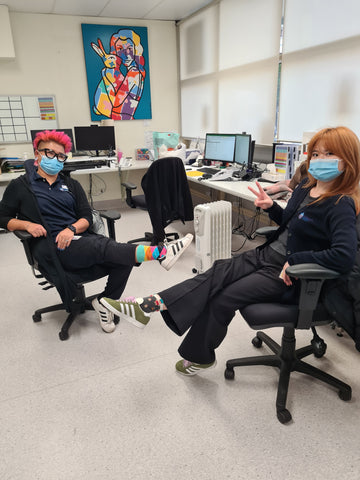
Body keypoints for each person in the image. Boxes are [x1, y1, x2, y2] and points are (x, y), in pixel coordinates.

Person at [99, 126, 360, 373]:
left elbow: (344, 256)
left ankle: (196, 354)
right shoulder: (305, 187)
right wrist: (272, 208)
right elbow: (293, 227)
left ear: (347, 160)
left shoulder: (341, 204)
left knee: (224, 295)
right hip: (267, 255)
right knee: (216, 272)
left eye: (329, 154)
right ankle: (151, 305)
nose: (319, 159)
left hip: (292, 276)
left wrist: (298, 261)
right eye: (315, 153)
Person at [0, 130, 193, 333]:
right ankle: (161, 254)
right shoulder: (21, 186)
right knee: (104, 246)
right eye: (49, 153)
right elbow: (2, 217)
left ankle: (104, 302)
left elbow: (85, 216)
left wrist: (71, 228)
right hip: (51, 246)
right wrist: (26, 225)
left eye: (60, 156)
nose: (55, 159)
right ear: (37, 154)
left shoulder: (71, 184)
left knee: (122, 257)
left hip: (77, 238)